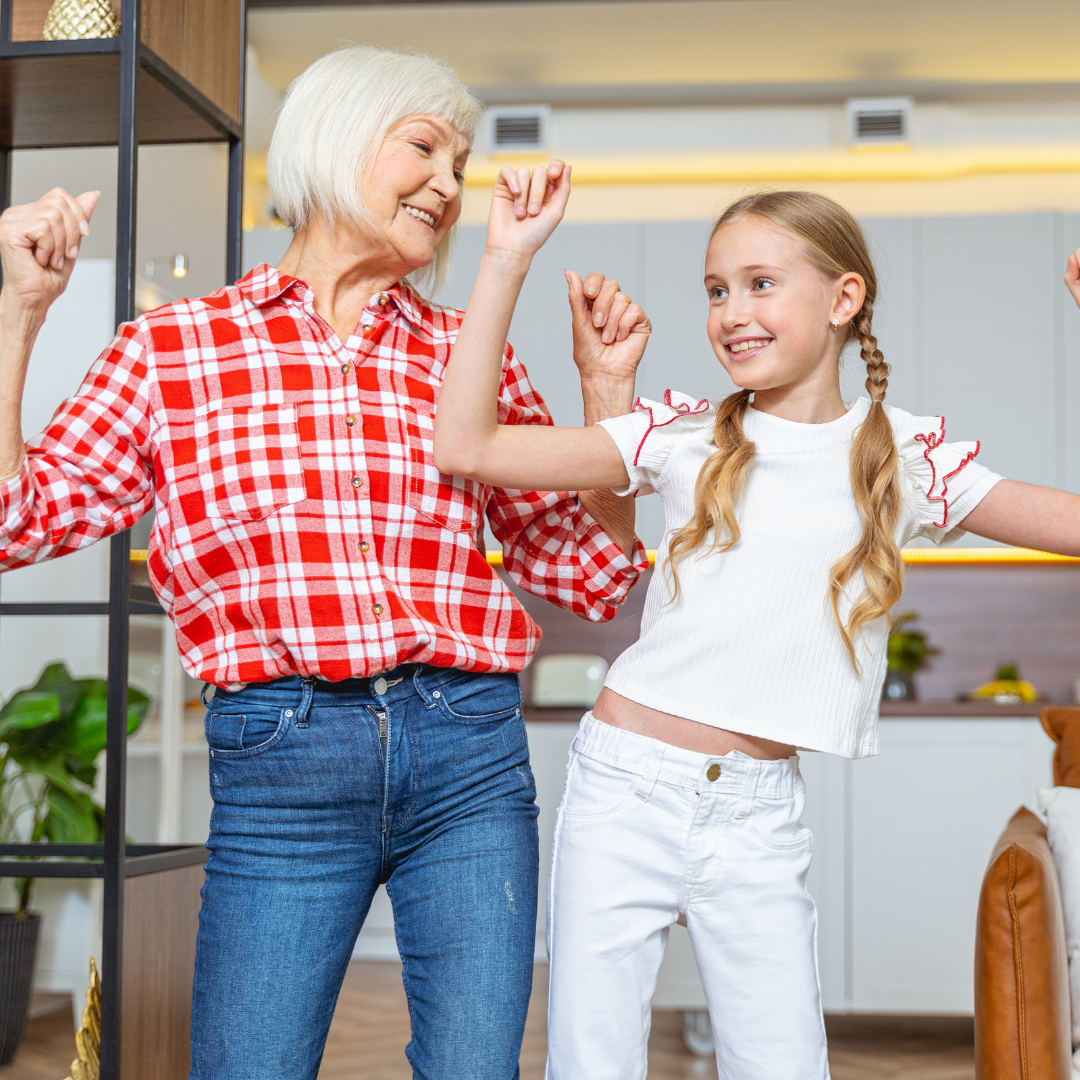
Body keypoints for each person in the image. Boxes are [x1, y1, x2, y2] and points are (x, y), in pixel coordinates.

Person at [0, 47, 649, 1080]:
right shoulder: (173, 351)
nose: (450, 183)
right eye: (425, 148)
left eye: (463, 163)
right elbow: (14, 520)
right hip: (283, 764)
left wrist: (608, 398)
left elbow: (591, 573)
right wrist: (19, 311)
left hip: (469, 752)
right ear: (337, 139)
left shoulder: (463, 353)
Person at [433, 168, 1080, 1079]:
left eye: (762, 283)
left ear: (845, 298)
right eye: (716, 289)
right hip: (624, 791)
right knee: (590, 1066)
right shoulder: (679, 435)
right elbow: (468, 446)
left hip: (757, 817)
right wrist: (506, 257)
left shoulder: (907, 457)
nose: (732, 310)